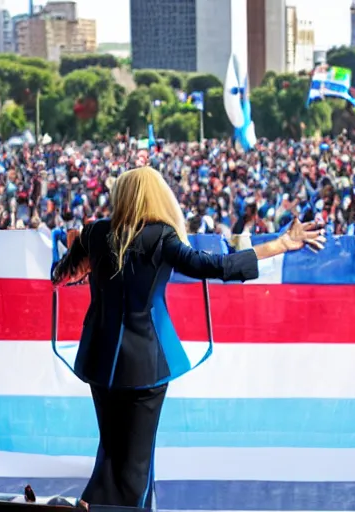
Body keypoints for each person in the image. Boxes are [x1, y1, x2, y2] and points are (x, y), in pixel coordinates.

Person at [52, 166, 326, 510]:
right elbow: (218, 266)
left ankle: (92, 504)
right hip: (145, 366)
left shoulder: (93, 233)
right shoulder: (162, 237)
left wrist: (74, 256)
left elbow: (60, 276)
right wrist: (281, 243)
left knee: (110, 451)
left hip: (99, 361)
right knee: (136, 462)